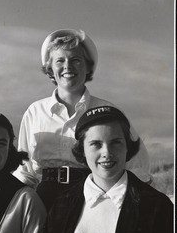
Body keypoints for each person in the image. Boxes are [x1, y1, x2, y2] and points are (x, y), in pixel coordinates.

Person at [13, 29, 150, 210]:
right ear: (50, 69)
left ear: (88, 68)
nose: (68, 66)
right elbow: (25, 170)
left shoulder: (109, 111)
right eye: (60, 61)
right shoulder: (34, 112)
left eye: (76, 60)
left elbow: (137, 165)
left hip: (94, 198)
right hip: (45, 201)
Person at [36, 106, 174, 233]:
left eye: (115, 142)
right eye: (96, 144)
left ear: (127, 146)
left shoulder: (157, 206)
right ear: (82, 150)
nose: (106, 152)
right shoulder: (61, 205)